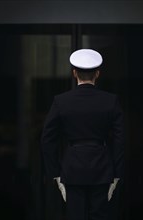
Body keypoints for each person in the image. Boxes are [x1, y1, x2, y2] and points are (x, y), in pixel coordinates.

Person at [41, 49, 125, 220]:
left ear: (74, 73)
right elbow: (120, 140)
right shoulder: (111, 100)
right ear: (98, 74)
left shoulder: (61, 101)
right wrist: (116, 174)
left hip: (72, 170)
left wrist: (55, 173)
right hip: (102, 170)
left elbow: (47, 140)